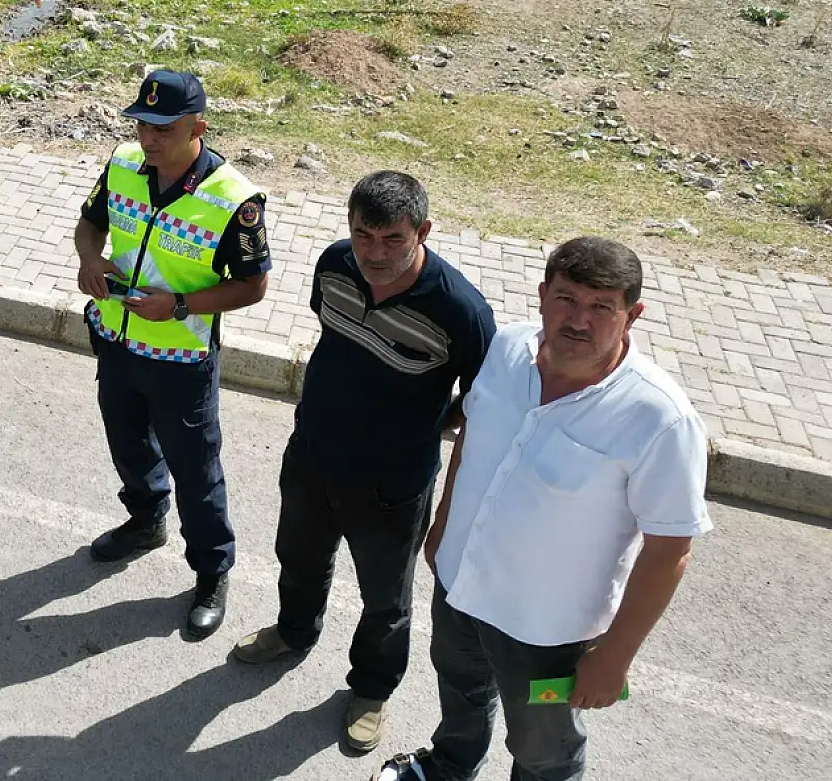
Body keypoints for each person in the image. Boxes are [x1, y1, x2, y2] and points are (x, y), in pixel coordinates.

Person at [377, 236, 713, 781]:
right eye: (566, 298)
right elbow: (471, 438)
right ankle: (448, 767)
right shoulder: (507, 349)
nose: (578, 319)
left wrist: (615, 657)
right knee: (460, 693)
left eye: (602, 306)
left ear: (633, 315)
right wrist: (441, 527)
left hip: (544, 632)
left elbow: (670, 547)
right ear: (541, 296)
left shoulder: (660, 419)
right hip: (460, 585)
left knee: (543, 747)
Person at [231, 172, 496, 752]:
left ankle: (372, 688)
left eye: (393, 239)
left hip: (391, 486)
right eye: (363, 236)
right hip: (313, 456)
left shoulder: (462, 311)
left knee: (385, 601)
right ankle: (293, 631)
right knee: (298, 558)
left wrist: (435, 425)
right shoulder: (334, 266)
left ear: (423, 231)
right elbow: (334, 334)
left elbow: (483, 405)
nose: (375, 254)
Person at [73, 69, 271, 640]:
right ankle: (145, 518)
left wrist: (181, 304)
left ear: (198, 128)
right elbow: (89, 227)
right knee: (128, 442)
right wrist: (91, 260)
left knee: (197, 470)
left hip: (181, 360)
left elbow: (254, 286)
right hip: (116, 342)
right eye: (141, 123)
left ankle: (211, 571)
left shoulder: (234, 200)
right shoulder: (122, 166)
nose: (148, 137)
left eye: (163, 127)